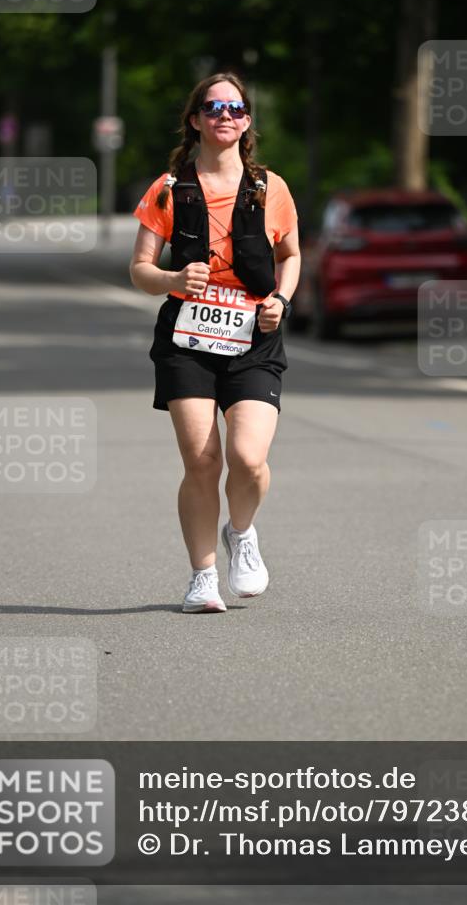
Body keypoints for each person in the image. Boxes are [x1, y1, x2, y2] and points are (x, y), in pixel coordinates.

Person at [129, 72, 300, 614]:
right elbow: (139, 269)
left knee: (247, 459)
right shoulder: (167, 189)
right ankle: (202, 576)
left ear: (247, 120)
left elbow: (290, 256)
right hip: (187, 337)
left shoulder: (270, 187)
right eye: (214, 107)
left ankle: (241, 532)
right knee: (202, 461)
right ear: (196, 119)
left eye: (236, 107)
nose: (225, 115)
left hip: (254, 335)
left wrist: (283, 301)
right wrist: (173, 281)